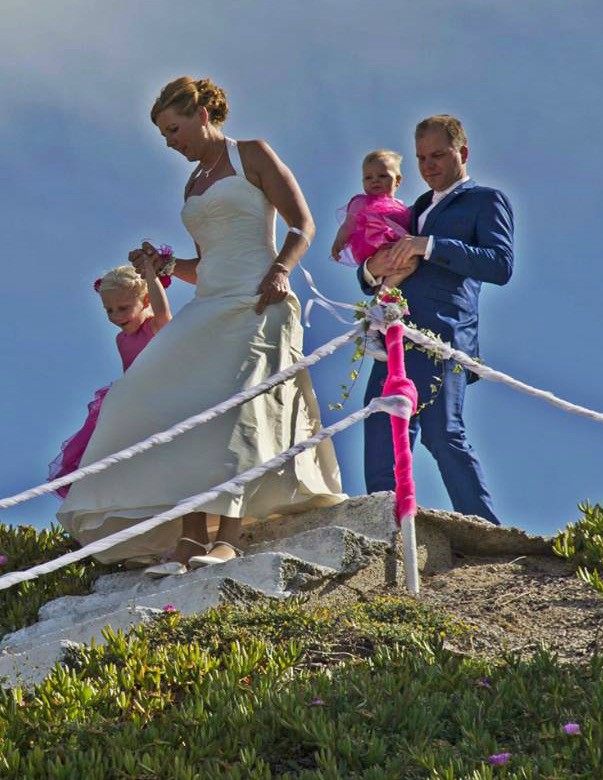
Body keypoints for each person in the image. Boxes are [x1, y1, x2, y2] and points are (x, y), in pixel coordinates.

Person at [56, 77, 345, 576]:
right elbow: (206, 264)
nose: (170, 142)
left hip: (260, 300)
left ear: (203, 114)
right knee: (166, 406)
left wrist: (280, 269)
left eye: (174, 129)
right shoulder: (192, 183)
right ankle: (189, 536)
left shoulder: (251, 153)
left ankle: (226, 539)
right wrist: (164, 268)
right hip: (211, 304)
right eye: (164, 135)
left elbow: (303, 223)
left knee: (235, 412)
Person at [357, 114, 513, 524]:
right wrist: (372, 269)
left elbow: (500, 265)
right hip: (392, 336)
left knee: (443, 434)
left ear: (462, 153)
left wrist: (429, 245)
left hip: (443, 336)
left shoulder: (486, 200)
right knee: (381, 426)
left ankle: (487, 533)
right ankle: (386, 530)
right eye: (422, 158)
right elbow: (373, 267)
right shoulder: (414, 208)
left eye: (438, 155)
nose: (429, 166)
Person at [48, 261, 173, 498]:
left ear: (145, 301)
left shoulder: (154, 327)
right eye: (109, 310)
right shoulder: (121, 339)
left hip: (162, 396)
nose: (116, 316)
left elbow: (163, 313)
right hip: (131, 403)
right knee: (110, 454)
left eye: (123, 308)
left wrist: (150, 273)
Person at [329, 149, 414, 287]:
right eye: (368, 177)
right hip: (371, 243)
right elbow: (348, 224)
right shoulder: (361, 202)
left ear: (397, 180)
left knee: (409, 263)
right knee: (405, 262)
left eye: (382, 175)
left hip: (395, 245)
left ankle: (387, 293)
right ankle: (384, 293)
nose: (375, 180)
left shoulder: (402, 207)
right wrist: (339, 241)